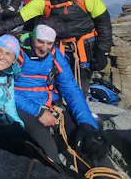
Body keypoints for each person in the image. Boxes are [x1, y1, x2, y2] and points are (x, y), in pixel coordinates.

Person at [0, 0, 112, 95]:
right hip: (58, 48)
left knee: (81, 85)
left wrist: (103, 51)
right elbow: (18, 19)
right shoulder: (42, 1)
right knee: (57, 84)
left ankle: (78, 109)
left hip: (85, 49)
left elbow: (104, 23)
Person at [15, 24, 114, 175]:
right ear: (32, 38)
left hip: (51, 106)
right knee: (47, 147)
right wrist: (38, 111)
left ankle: (108, 175)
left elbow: (71, 90)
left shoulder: (54, 55)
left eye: (49, 43)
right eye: (40, 42)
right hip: (23, 107)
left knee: (91, 142)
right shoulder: (17, 53)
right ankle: (61, 172)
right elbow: (4, 87)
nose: (44, 48)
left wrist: (86, 123)